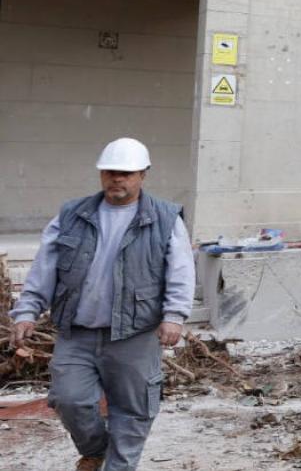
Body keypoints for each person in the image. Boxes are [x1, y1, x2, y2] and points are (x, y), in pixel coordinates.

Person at [10, 137, 195, 471]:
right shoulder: (71, 215)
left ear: (143, 175)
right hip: (77, 333)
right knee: (70, 400)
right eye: (110, 172)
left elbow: (181, 270)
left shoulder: (165, 219)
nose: (117, 179)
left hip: (134, 335)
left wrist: (174, 315)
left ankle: (117, 466)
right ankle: (96, 451)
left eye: (126, 173)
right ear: (101, 174)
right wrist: (26, 311)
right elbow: (44, 269)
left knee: (133, 411)